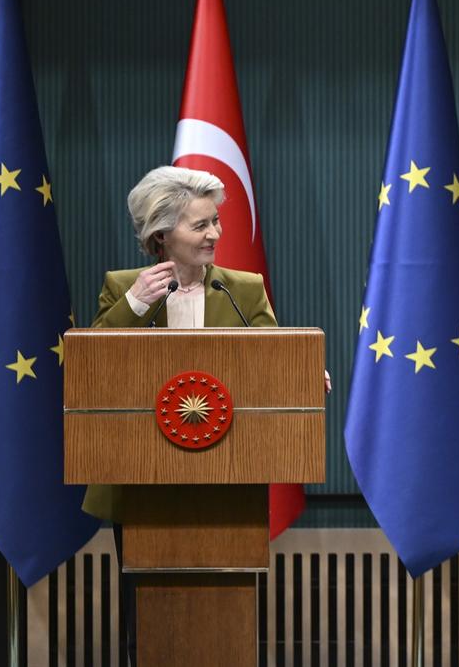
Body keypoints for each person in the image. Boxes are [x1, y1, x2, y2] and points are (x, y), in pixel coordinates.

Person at [86, 165, 275, 665]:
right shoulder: (122, 287)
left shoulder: (243, 289)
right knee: (144, 613)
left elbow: (275, 362)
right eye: (200, 225)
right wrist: (132, 304)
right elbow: (90, 369)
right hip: (141, 479)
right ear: (162, 235)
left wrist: (301, 375)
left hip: (228, 477)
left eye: (215, 222)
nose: (214, 234)